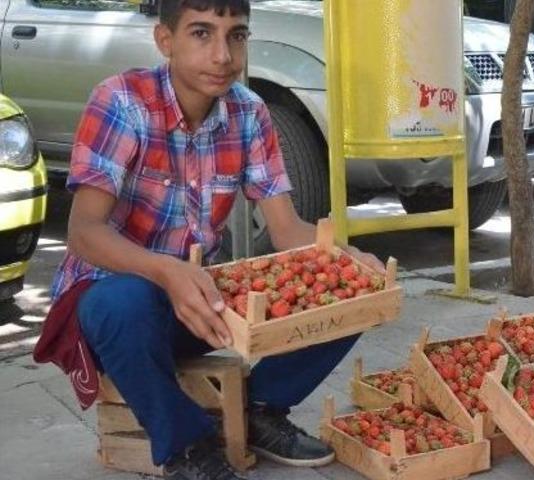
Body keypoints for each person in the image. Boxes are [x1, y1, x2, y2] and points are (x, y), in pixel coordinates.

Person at [33, 1, 384, 479]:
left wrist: (347, 259)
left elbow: (287, 230)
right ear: (165, 41)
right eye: (201, 33)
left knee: (351, 290)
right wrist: (167, 272)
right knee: (122, 302)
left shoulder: (249, 112)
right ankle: (187, 446)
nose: (222, 55)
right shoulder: (122, 101)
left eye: (236, 35)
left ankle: (261, 408)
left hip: (199, 303)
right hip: (115, 310)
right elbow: (83, 232)